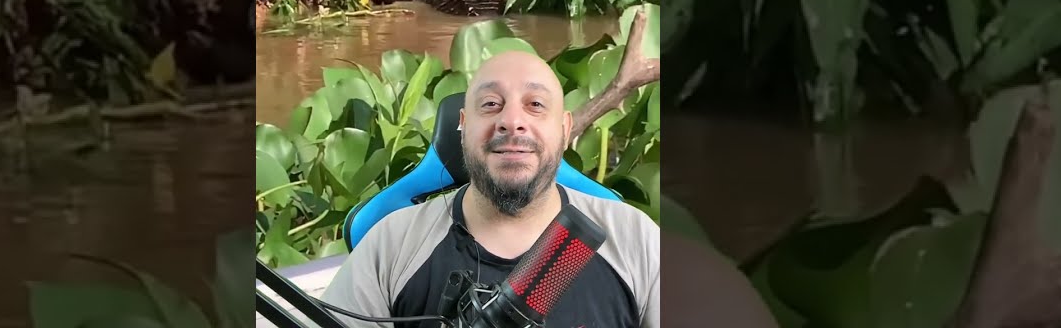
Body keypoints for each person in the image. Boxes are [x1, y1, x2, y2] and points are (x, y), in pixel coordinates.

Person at [320, 49, 778, 327]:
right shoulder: (393, 244)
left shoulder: (632, 239)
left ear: (563, 130)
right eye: (491, 104)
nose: (512, 120)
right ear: (463, 126)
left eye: (534, 105)